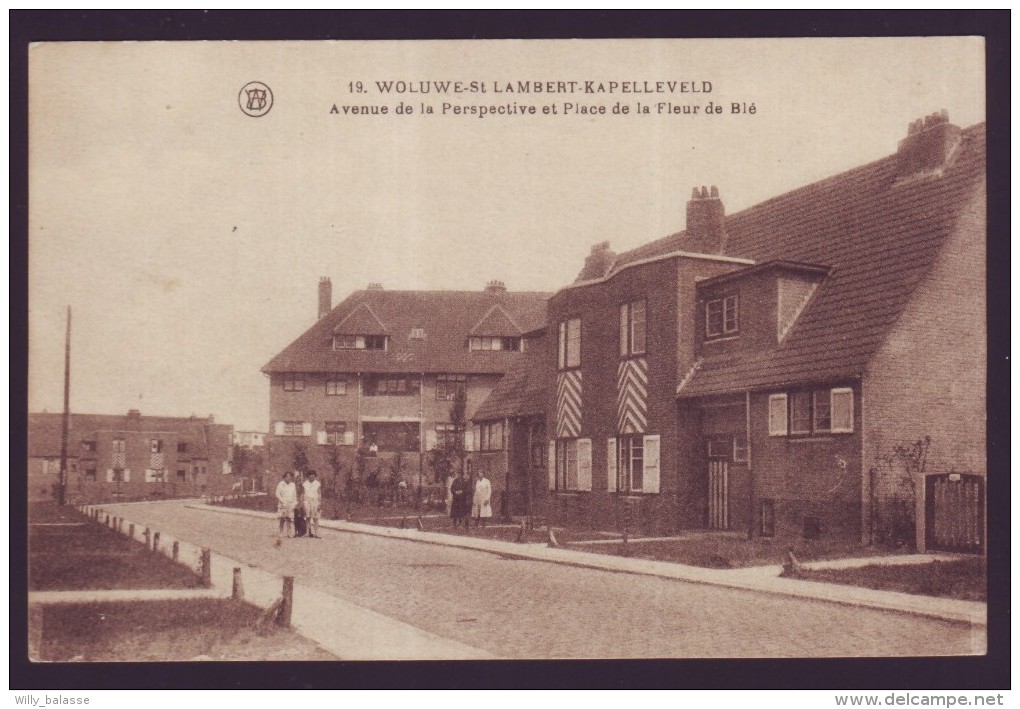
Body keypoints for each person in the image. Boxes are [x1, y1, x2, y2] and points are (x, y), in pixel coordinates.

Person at [274, 471, 297, 538]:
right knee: (282, 518)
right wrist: (282, 501)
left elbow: (294, 495)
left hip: (290, 503)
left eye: (290, 477)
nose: (289, 478)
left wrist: (294, 503)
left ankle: (289, 533)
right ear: (284, 477)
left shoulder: (293, 484)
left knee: (289, 519)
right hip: (283, 503)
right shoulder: (280, 484)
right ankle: (281, 532)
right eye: (287, 476)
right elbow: (277, 494)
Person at [302, 470, 322, 538]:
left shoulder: (317, 483)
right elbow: (303, 493)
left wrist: (319, 503)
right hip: (307, 502)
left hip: (315, 502)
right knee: (307, 518)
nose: (311, 476)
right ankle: (307, 533)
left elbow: (319, 494)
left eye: (313, 474)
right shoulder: (305, 484)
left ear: (315, 476)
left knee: (315, 518)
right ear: (308, 476)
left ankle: (316, 533)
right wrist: (303, 503)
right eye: (310, 474)